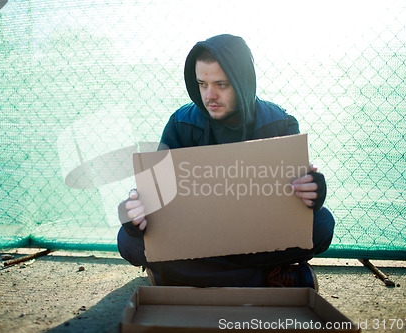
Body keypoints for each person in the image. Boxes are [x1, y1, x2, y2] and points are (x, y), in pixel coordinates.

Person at [117, 34, 335, 289]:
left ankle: (177, 275)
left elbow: (301, 203)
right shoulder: (181, 124)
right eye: (202, 84)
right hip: (197, 236)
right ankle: (264, 278)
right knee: (128, 240)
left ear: (242, 81)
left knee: (322, 225)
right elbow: (155, 198)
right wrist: (135, 212)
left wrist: (314, 190)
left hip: (259, 236)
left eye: (221, 84)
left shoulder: (280, 124)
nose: (210, 95)